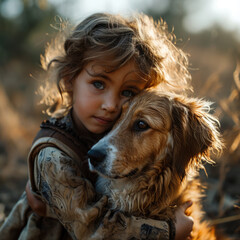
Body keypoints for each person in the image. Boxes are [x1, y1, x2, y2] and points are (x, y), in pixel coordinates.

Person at [0, 12, 193, 239]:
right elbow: (90, 229)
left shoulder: (108, 130)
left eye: (128, 92)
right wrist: (168, 231)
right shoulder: (52, 155)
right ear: (69, 80)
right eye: (99, 83)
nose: (111, 105)